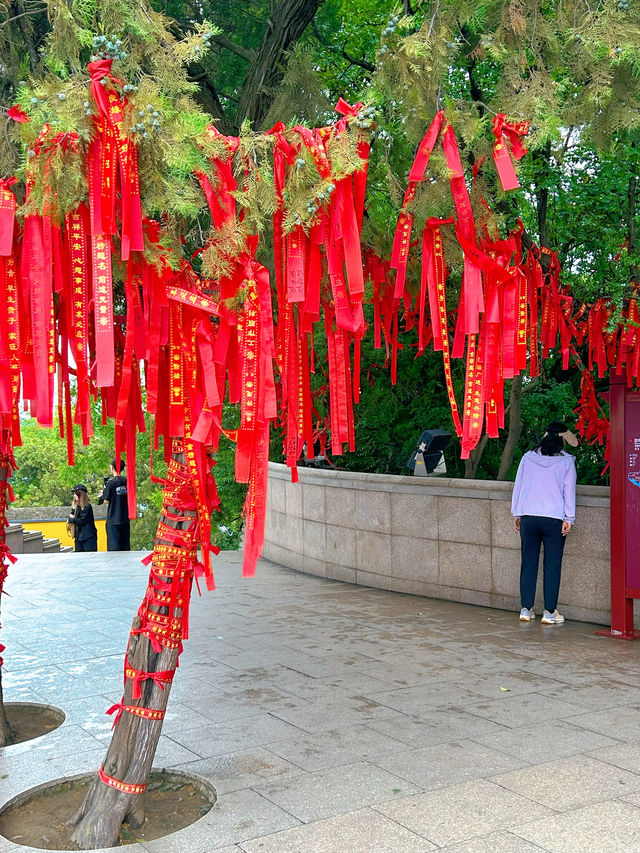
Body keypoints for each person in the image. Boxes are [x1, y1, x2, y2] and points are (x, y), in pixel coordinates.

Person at [511, 420, 578, 626]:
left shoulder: (527, 458)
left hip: (529, 517)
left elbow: (519, 485)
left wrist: (517, 513)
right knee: (552, 565)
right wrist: (569, 518)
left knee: (528, 562)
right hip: (553, 520)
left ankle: (526, 608)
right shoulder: (566, 462)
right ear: (562, 440)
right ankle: (549, 612)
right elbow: (569, 491)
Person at [98, 458, 131, 551]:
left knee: (114, 548)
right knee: (125, 546)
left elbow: (106, 500)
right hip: (125, 517)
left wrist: (104, 493)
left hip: (113, 519)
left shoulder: (110, 483)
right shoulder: (127, 481)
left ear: (112, 468)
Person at [69, 484, 98, 552]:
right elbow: (72, 515)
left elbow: (82, 520)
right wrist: (73, 509)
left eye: (76, 494)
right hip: (79, 537)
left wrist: (72, 520)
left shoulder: (87, 506)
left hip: (88, 536)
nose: (74, 496)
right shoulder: (77, 507)